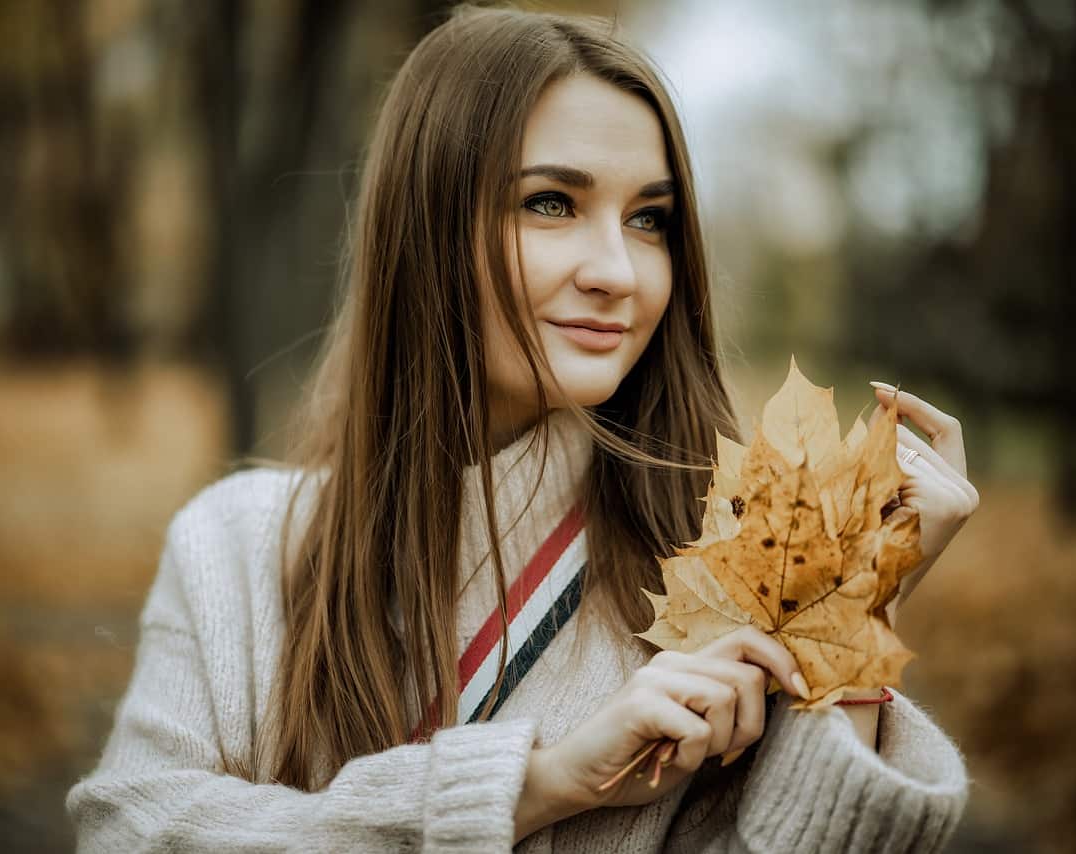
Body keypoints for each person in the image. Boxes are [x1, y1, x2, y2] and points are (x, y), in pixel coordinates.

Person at [67, 5, 977, 852]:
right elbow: (128, 828)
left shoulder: (727, 566)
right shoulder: (237, 545)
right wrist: (535, 784)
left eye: (649, 219)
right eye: (551, 203)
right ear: (426, 224)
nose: (618, 271)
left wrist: (854, 616)